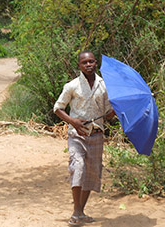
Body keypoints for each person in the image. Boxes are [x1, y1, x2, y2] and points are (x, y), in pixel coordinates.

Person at [53, 51, 114, 226]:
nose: (88, 65)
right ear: (79, 65)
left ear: (96, 63)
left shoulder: (103, 85)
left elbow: (108, 113)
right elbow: (58, 108)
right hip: (76, 135)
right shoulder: (72, 86)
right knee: (77, 167)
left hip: (96, 135)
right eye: (85, 62)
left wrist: (114, 112)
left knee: (92, 174)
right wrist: (73, 121)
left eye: (91, 62)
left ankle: (80, 212)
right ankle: (77, 212)